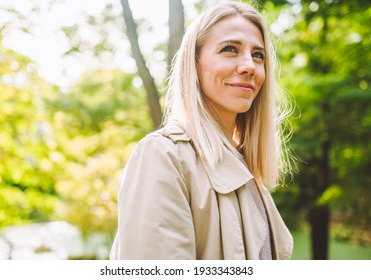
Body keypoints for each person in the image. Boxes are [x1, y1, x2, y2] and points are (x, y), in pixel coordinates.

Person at [110, 1, 294, 260]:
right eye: (230, 49)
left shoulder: (248, 173)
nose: (249, 66)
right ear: (194, 64)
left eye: (258, 55)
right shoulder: (163, 157)